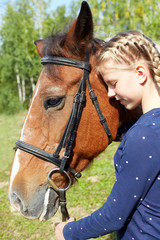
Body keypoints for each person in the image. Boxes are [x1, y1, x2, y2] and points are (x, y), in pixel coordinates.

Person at [55, 30, 160, 239]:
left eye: (113, 83)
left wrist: (67, 232)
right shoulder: (149, 128)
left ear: (140, 73)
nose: (111, 93)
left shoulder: (144, 135)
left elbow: (114, 216)